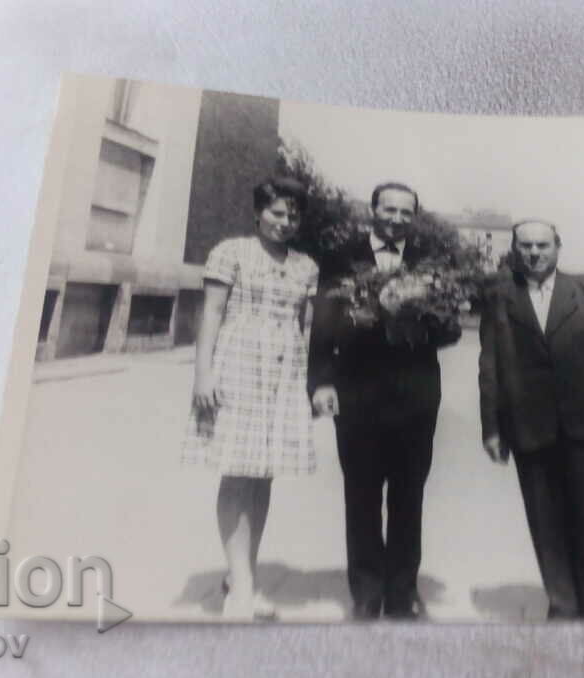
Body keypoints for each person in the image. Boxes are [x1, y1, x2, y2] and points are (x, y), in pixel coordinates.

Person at [308, 182, 462, 620]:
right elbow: (322, 326)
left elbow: (451, 330)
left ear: (415, 216)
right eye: (388, 209)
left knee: (409, 495)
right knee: (360, 494)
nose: (396, 218)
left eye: (405, 212)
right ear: (372, 210)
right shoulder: (342, 259)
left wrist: (422, 317)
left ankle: (403, 592)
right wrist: (321, 383)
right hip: (357, 393)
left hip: (415, 395)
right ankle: (366, 592)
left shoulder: (432, 263)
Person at [477, 220, 584, 619]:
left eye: (542, 245)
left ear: (558, 247)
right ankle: (563, 605)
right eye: (526, 246)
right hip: (530, 428)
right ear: (515, 249)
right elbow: (490, 366)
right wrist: (492, 428)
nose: (534, 253)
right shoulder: (500, 296)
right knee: (546, 524)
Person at [181, 178, 320, 621]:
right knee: (238, 471)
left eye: (293, 215)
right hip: (238, 365)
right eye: (277, 212)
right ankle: (240, 585)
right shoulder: (231, 252)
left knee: (262, 476)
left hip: (285, 372)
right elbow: (213, 314)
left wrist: (312, 384)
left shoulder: (306, 266)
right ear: (258, 213)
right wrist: (203, 373)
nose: (285, 221)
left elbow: (308, 327)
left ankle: (243, 575)